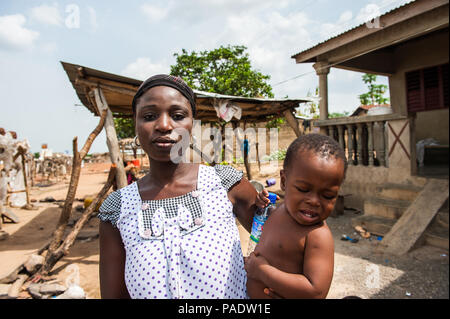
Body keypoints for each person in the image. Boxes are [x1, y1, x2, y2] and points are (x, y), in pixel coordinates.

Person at [97, 74, 259, 299]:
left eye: (178, 115)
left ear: (192, 122)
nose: (164, 125)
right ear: (135, 121)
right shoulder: (117, 209)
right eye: (150, 116)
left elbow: (282, 244)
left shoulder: (225, 184)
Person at [245, 133, 347, 299]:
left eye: (327, 196)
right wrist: (260, 205)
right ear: (284, 181)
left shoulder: (317, 235)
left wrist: (262, 271)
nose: (314, 201)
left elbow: (316, 291)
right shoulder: (281, 210)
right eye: (303, 190)